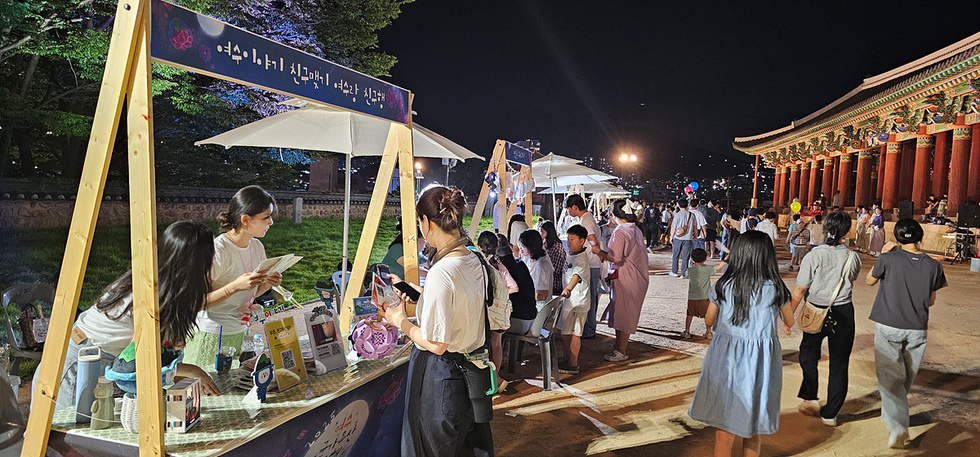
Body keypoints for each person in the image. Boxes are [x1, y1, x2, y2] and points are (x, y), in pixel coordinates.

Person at [50, 221, 222, 409]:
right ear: (197, 262)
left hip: (99, 357)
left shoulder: (163, 283)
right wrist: (193, 371)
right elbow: (139, 360)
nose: (214, 259)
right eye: (210, 256)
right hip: (81, 363)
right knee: (69, 428)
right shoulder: (152, 295)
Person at [384, 186, 494, 456]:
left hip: (442, 378)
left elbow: (436, 343)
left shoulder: (441, 271)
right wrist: (418, 293)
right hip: (470, 375)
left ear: (426, 221)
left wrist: (399, 320)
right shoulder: (473, 258)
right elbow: (459, 303)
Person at [688, 230, 794, 457]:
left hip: (726, 359)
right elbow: (790, 319)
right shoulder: (776, 288)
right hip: (760, 364)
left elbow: (708, 319)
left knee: (724, 428)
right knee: (753, 426)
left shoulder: (724, 285)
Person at [864, 219, 947, 449]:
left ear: (898, 238)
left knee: (890, 378)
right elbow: (930, 301)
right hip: (917, 327)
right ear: (920, 237)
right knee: (905, 378)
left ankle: (899, 426)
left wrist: (882, 254)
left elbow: (869, 280)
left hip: (888, 324)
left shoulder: (888, 259)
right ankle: (890, 415)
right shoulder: (934, 265)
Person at [183, 186, 280, 367]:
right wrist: (235, 286)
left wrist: (267, 285)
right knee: (208, 392)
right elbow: (196, 301)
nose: (271, 222)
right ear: (245, 219)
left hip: (241, 332)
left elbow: (249, 295)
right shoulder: (218, 250)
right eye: (266, 217)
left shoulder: (257, 247)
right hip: (212, 334)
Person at [788, 211, 862, 427]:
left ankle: (810, 396)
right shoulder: (853, 257)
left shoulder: (815, 255)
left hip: (815, 309)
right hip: (843, 311)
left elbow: (800, 289)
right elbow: (852, 279)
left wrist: (788, 317)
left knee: (808, 355)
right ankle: (831, 413)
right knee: (839, 363)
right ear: (846, 231)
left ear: (825, 228)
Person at [590, 199, 650, 362]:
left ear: (614, 214)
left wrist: (598, 251)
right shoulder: (634, 229)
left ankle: (621, 351)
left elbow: (615, 258)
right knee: (625, 313)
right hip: (637, 277)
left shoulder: (621, 231)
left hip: (626, 277)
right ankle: (618, 348)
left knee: (623, 314)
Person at [476, 231, 523, 383]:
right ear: (497, 248)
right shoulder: (500, 266)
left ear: (478, 247)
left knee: (481, 346)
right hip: (500, 314)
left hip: (484, 314)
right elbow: (514, 288)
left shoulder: (478, 266)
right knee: (496, 345)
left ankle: (483, 378)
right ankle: (496, 378)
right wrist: (500, 295)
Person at [564, 194, 604, 338]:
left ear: (575, 207)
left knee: (590, 297)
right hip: (591, 262)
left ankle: (589, 330)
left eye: (569, 208)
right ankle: (588, 328)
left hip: (591, 263)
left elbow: (591, 238)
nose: (568, 211)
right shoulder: (587, 217)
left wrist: (598, 252)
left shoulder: (586, 220)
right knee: (590, 296)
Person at [557, 224, 591, 375]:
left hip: (578, 302)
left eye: (572, 239)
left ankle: (573, 363)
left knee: (575, 333)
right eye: (568, 238)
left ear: (582, 240)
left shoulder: (581, 259)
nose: (569, 242)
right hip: (569, 302)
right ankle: (567, 359)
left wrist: (568, 289)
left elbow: (576, 276)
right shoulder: (572, 254)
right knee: (565, 332)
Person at [519, 230, 554, 312]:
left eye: (523, 246)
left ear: (531, 246)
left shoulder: (541, 265)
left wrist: (523, 294)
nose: (520, 248)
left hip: (539, 308)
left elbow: (542, 295)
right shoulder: (529, 258)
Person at [682, 248, 714, 339]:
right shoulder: (708, 269)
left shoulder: (690, 270)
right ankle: (708, 332)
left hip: (693, 297)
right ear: (705, 259)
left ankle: (687, 331)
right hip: (705, 296)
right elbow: (719, 267)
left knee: (690, 314)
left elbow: (687, 274)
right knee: (707, 315)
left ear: (692, 258)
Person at [669, 199, 696, 277]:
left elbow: (673, 227)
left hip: (678, 238)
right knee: (685, 256)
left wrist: (671, 236)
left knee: (676, 255)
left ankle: (674, 271)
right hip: (688, 238)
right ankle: (683, 273)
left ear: (679, 205)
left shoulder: (677, 215)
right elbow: (695, 227)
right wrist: (696, 236)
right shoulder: (691, 215)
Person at [539, 221, 567, 296]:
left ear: (549, 232)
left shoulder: (557, 247)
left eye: (543, 232)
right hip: (548, 281)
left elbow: (558, 268)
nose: (541, 235)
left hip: (556, 284)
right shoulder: (546, 244)